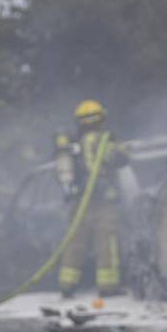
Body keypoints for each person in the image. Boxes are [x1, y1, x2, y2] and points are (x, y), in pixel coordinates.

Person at [54, 99, 129, 298]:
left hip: (79, 202)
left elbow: (63, 173)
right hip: (103, 201)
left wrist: (69, 191)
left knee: (74, 243)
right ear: (101, 119)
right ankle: (108, 287)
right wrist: (117, 145)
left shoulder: (71, 145)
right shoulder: (103, 140)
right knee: (106, 243)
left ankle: (67, 285)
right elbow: (121, 159)